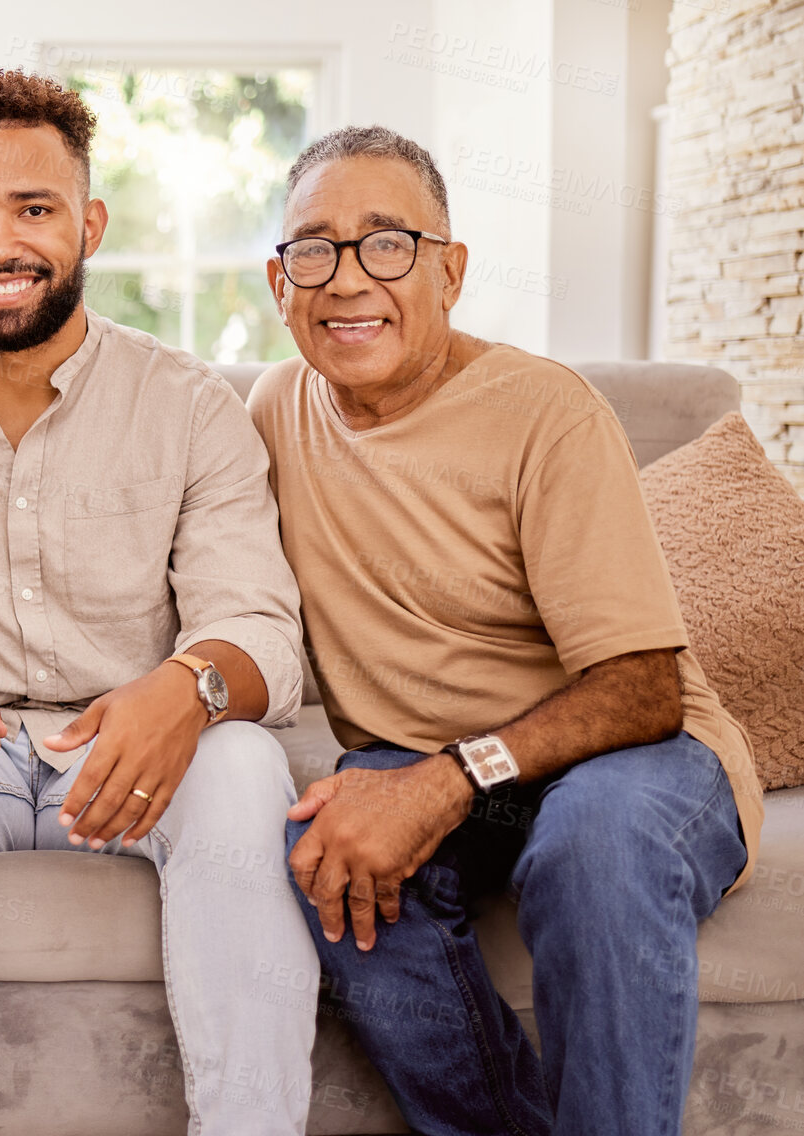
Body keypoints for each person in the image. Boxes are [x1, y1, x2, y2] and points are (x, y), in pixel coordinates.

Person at [0, 70, 317, 1136]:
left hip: (132, 746)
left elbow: (261, 629)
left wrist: (188, 687)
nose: (1, 244)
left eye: (34, 209)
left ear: (90, 223)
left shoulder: (190, 405)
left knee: (247, 764)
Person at [248, 124, 765, 1136]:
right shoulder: (276, 409)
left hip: (638, 758)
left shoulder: (544, 411)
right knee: (330, 844)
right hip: (454, 770)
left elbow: (642, 687)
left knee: (595, 842)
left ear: (452, 270)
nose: (348, 278)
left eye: (388, 242)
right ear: (280, 282)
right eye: (315, 247)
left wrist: (442, 779)